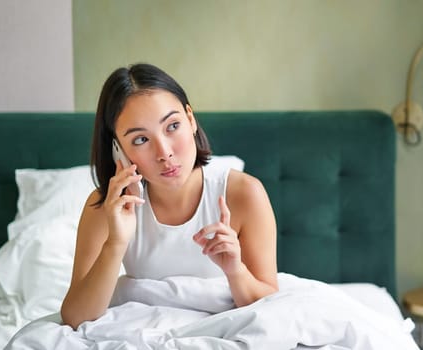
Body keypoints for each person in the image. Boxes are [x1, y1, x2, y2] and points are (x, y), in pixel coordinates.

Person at [60, 63, 279, 329]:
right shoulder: (107, 207)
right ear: (118, 149)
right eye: (141, 140)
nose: (164, 152)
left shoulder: (244, 194)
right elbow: (75, 317)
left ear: (191, 119)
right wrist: (116, 242)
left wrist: (235, 270)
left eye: (172, 126)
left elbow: (271, 307)